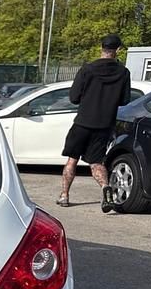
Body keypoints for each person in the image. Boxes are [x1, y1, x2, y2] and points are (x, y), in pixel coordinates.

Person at [56, 34, 131, 212]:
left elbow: (74, 98)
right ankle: (106, 188)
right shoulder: (123, 73)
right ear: (118, 49)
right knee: (97, 163)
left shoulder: (87, 69)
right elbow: (125, 100)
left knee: (72, 160)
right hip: (104, 126)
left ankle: (64, 195)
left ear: (101, 48)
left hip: (82, 123)